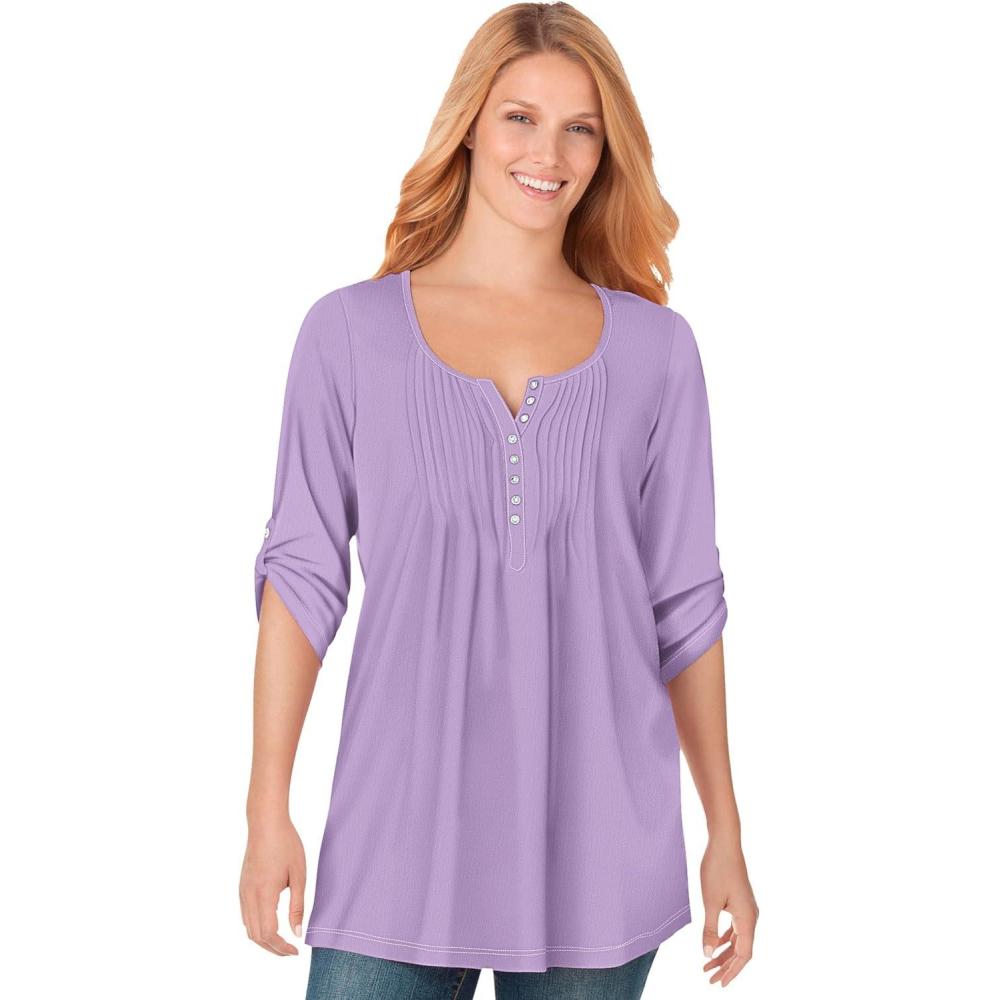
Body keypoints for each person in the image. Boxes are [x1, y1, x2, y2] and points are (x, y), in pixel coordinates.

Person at [240, 3, 758, 997]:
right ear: (470, 124)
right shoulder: (348, 335)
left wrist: (724, 831)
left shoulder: (657, 352)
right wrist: (268, 808)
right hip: (397, 830)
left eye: (580, 128)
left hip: (601, 846)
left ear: (606, 151)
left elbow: (686, 602)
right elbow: (301, 578)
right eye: (520, 117)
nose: (548, 154)